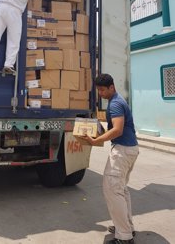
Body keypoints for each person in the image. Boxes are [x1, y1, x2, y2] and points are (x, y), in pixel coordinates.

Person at [81, 73, 139, 244]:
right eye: (98, 90)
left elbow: (117, 130)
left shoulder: (115, 104)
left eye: (102, 90)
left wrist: (96, 140)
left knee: (113, 190)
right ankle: (126, 226)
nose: (100, 93)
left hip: (123, 151)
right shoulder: (118, 100)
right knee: (120, 189)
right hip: (128, 149)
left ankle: (124, 237)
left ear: (111, 87)